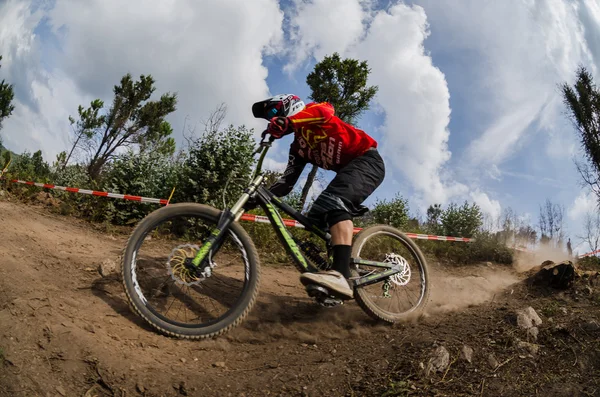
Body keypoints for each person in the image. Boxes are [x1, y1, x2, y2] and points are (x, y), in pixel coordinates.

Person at [251, 94, 385, 299]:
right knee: (314, 218)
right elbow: (287, 182)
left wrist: (288, 121)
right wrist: (257, 197)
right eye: (269, 118)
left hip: (367, 161)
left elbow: (325, 112)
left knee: (333, 202)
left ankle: (340, 274)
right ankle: (337, 268)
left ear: (289, 104)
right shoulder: (297, 148)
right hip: (348, 173)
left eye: (273, 112)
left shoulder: (317, 110)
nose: (271, 119)